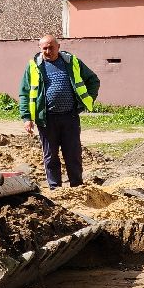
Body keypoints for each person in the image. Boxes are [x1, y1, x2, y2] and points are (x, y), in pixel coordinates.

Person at [19, 34, 100, 189]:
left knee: (73, 154)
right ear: (40, 49)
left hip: (70, 117)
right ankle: (55, 188)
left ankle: (76, 186)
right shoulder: (33, 66)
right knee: (50, 156)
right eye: (45, 48)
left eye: (51, 47)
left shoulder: (71, 62)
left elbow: (93, 80)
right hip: (46, 119)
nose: (48, 51)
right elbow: (24, 93)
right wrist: (26, 117)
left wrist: (86, 101)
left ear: (58, 47)